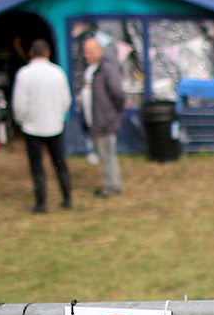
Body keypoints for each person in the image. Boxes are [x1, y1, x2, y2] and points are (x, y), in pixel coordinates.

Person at [10, 39, 73, 212]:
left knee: (37, 166)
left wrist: (21, 120)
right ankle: (67, 198)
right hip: (55, 126)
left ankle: (41, 202)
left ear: (31, 53)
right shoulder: (58, 72)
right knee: (60, 163)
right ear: (48, 53)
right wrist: (59, 115)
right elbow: (66, 100)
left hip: (33, 128)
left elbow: (19, 103)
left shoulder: (24, 74)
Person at [76, 33, 127, 197]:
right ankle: (109, 183)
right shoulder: (90, 70)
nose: (86, 55)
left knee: (108, 155)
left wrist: (114, 114)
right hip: (95, 120)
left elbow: (117, 93)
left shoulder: (107, 69)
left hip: (106, 120)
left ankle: (113, 186)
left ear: (99, 51)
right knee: (103, 154)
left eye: (89, 51)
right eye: (85, 52)